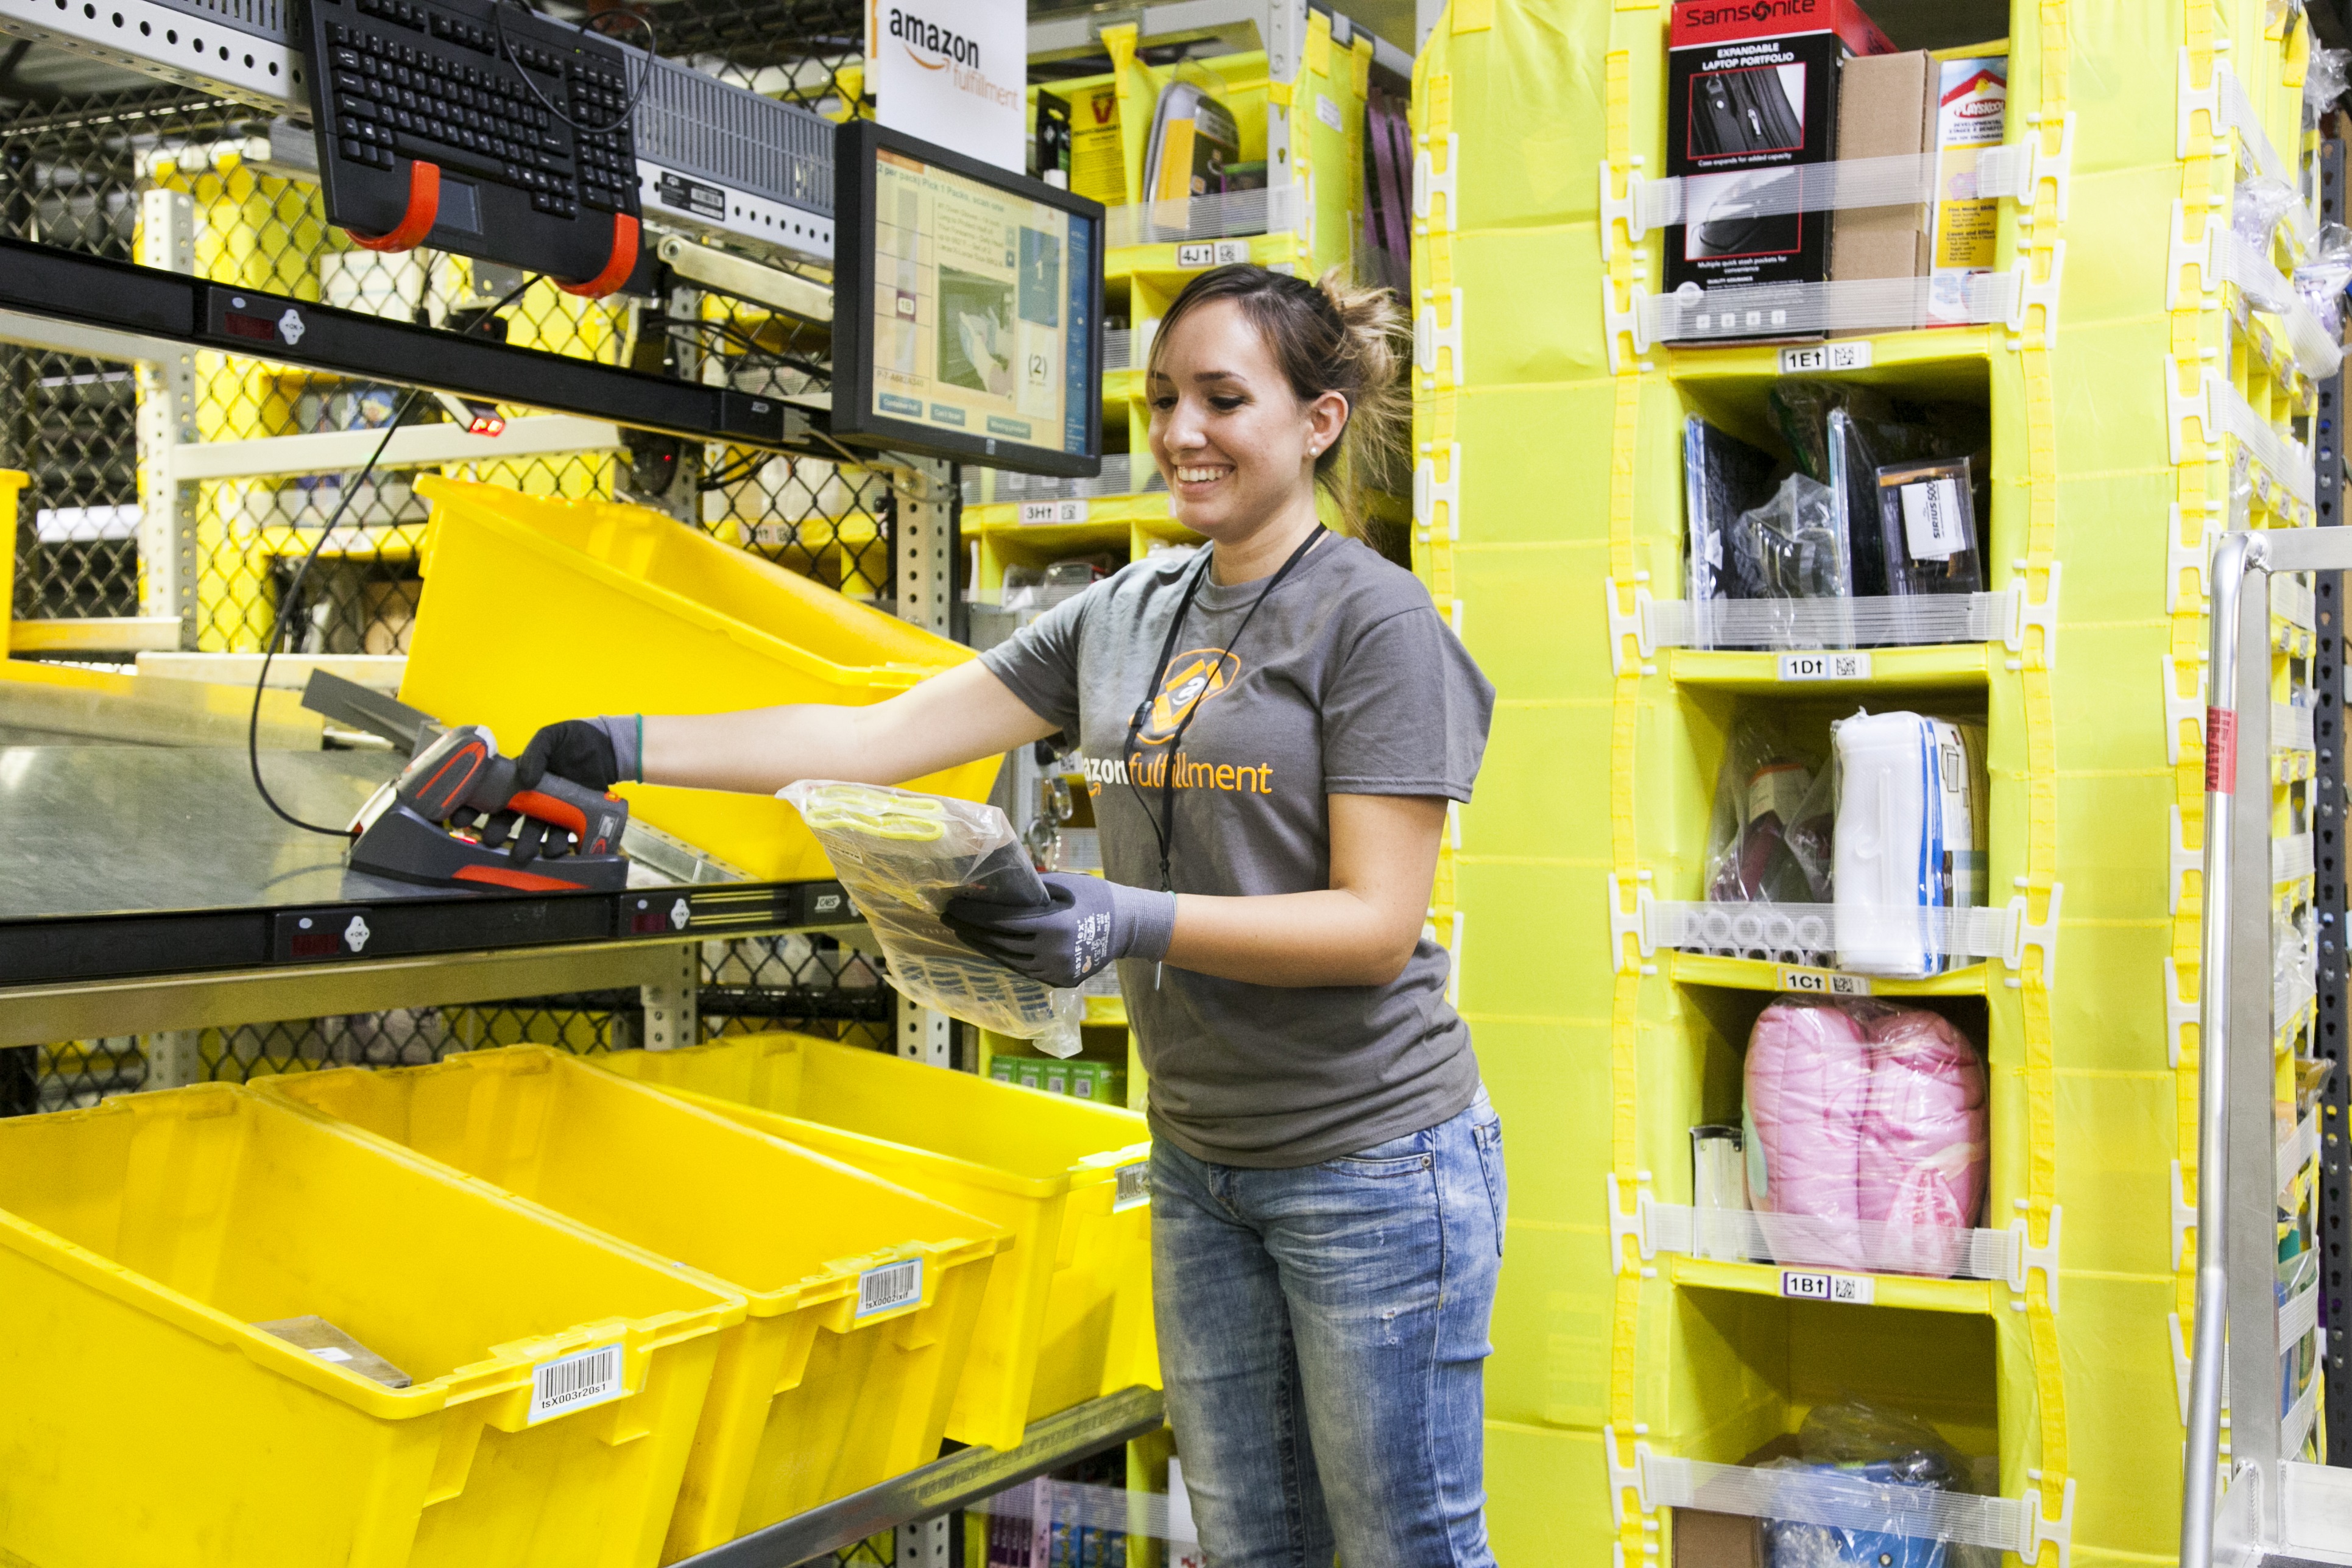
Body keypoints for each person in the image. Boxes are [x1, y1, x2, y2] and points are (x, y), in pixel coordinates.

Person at [517, 264, 1502, 1568]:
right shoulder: (1125, 614)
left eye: (1222, 398)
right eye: (1160, 399)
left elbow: (1375, 925)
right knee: (1254, 1548)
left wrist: (1117, 916)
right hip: (1204, 1159)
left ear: (1317, 422)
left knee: (1405, 1549)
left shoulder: (1374, 623)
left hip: (1372, 1163)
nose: (1178, 433)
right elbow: (879, 737)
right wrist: (623, 740)